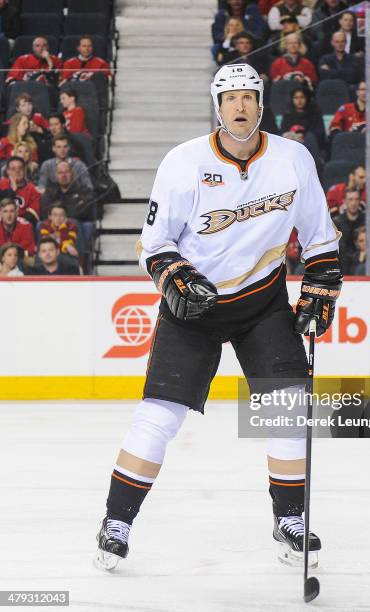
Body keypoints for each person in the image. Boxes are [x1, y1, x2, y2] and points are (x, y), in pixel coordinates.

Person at [93, 63, 342, 572]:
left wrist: (319, 288)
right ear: (218, 105)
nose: (240, 106)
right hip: (195, 310)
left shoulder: (292, 159)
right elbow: (154, 244)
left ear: (261, 102)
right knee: (159, 417)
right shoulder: (183, 163)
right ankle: (116, 523)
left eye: (249, 96)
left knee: (289, 409)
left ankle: (290, 520)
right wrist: (173, 275)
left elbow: (320, 236)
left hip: (262, 301)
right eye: (230, 98)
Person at [41, 161, 95, 246]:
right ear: (56, 176)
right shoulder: (50, 190)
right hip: (53, 223)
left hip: (76, 223)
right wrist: (59, 218)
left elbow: (85, 212)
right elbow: (44, 210)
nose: (64, 175)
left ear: (72, 174)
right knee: (39, 225)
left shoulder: (83, 190)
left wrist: (61, 217)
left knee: (74, 222)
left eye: (67, 172)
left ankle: (78, 257)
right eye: (60, 173)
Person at [332, 187, 368, 270]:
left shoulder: (367, 221)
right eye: (350, 199)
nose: (353, 203)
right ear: (344, 201)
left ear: (360, 201)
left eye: (356, 199)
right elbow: (338, 249)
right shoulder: (336, 223)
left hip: (365, 262)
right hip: (343, 265)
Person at [281, 85, 325, 150]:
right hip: (290, 145)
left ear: (307, 99)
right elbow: (283, 130)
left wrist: (303, 135)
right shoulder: (288, 113)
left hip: (309, 145)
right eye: (296, 98)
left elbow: (319, 132)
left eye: (302, 97)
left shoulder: (315, 113)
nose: (299, 100)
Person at [0, 156, 41, 226]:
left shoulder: (32, 189)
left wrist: (15, 222)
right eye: (13, 169)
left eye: (20, 168)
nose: (17, 171)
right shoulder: (1, 184)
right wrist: (11, 191)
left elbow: (33, 213)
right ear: (7, 171)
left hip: (22, 225)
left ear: (24, 170)